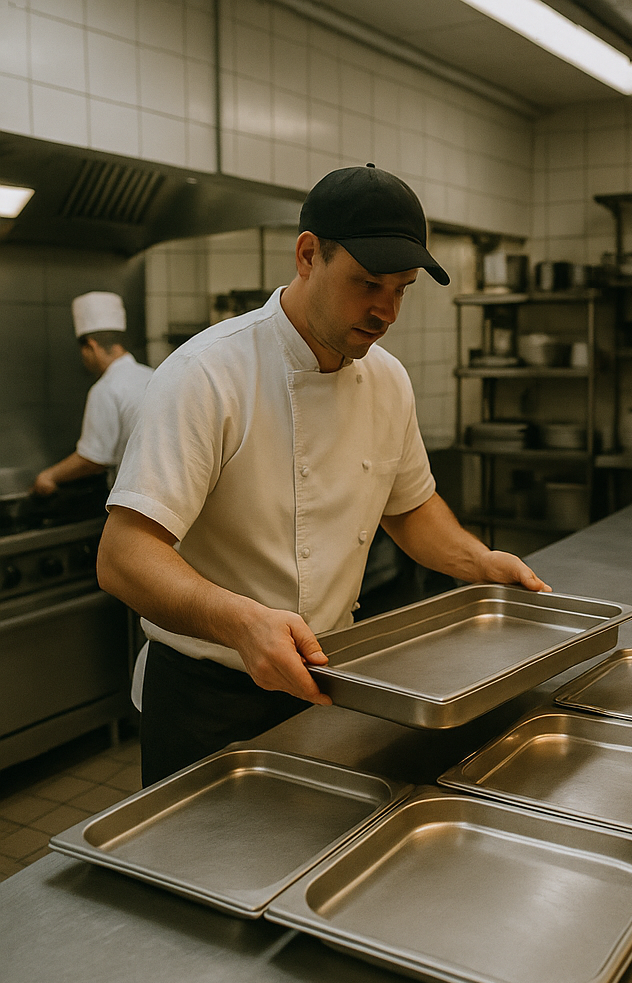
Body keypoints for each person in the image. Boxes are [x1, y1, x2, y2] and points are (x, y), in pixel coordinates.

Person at [98, 165, 550, 786]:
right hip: (208, 698)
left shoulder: (388, 379)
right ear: (309, 255)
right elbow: (123, 556)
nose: (386, 311)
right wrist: (241, 622)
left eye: (402, 290)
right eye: (368, 284)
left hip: (331, 679)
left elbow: (410, 507)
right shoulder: (207, 374)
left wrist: (480, 562)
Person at [31, 292, 154, 496]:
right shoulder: (153, 374)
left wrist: (48, 476)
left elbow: (93, 460)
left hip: (135, 498)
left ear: (90, 346)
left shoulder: (107, 388)